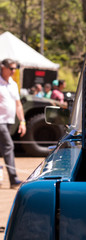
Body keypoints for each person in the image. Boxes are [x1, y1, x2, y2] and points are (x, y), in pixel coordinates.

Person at [0, 58, 26, 188]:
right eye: (11, 68)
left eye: (15, 68)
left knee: (3, 148)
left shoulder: (13, 84)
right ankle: (13, 179)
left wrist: (22, 121)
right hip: (0, 122)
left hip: (9, 121)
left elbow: (18, 104)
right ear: (2, 67)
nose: (13, 71)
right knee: (9, 146)